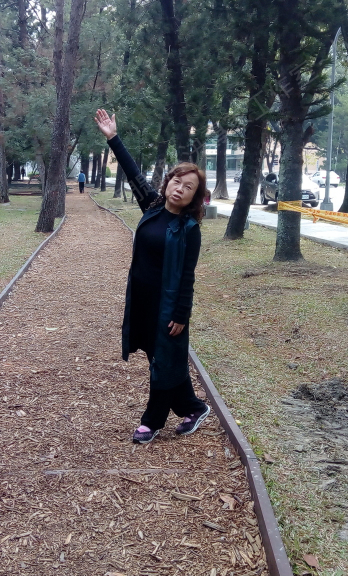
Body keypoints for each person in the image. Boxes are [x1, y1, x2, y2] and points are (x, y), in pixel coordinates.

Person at [93, 108, 211, 444]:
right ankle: (193, 407)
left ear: (194, 197)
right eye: (177, 181)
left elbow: (187, 276)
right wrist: (113, 138)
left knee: (162, 361)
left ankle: (152, 420)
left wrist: (181, 314)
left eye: (188, 187)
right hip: (142, 299)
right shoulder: (154, 206)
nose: (180, 189)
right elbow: (133, 174)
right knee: (159, 356)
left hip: (167, 305)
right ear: (168, 181)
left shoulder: (189, 229)